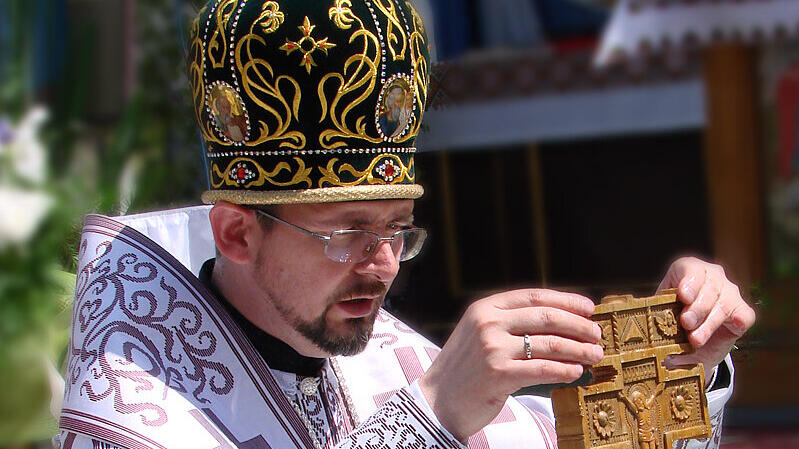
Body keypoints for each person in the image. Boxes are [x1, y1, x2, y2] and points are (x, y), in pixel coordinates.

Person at [58, 1, 755, 448]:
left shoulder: (383, 354)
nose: (384, 262)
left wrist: (672, 372)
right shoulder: (127, 410)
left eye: (397, 228)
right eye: (346, 233)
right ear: (238, 233)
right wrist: (429, 417)